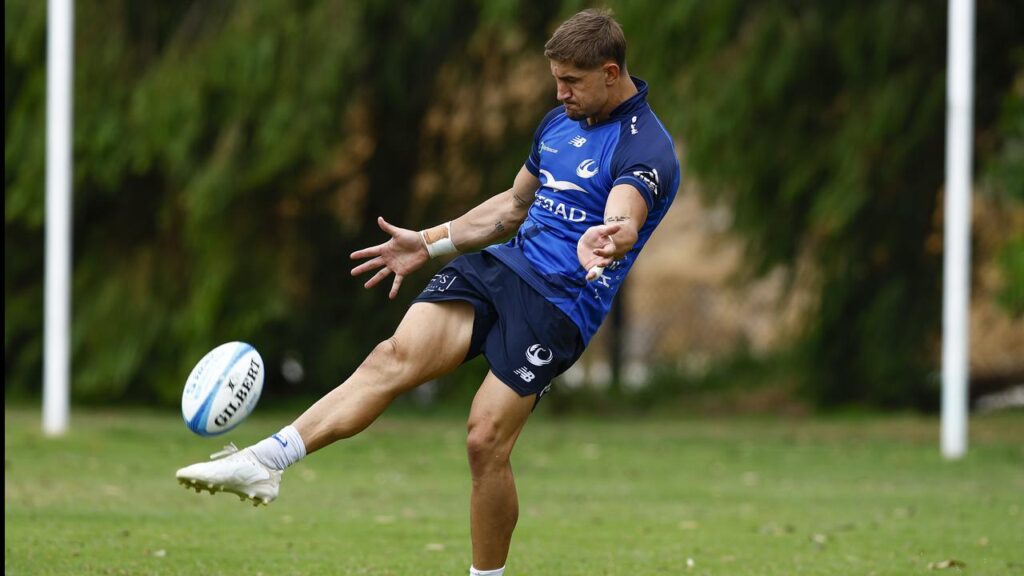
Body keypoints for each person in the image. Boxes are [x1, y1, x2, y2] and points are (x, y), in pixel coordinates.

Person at [175, 8, 679, 575]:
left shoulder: (647, 148)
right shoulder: (558, 124)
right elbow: (513, 206)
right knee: (393, 356)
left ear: (611, 73)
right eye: (556, 79)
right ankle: (266, 461)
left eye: (572, 82)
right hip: (499, 267)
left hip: (558, 304)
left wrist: (612, 237)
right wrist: (429, 243)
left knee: (484, 440)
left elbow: (626, 213)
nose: (560, 92)